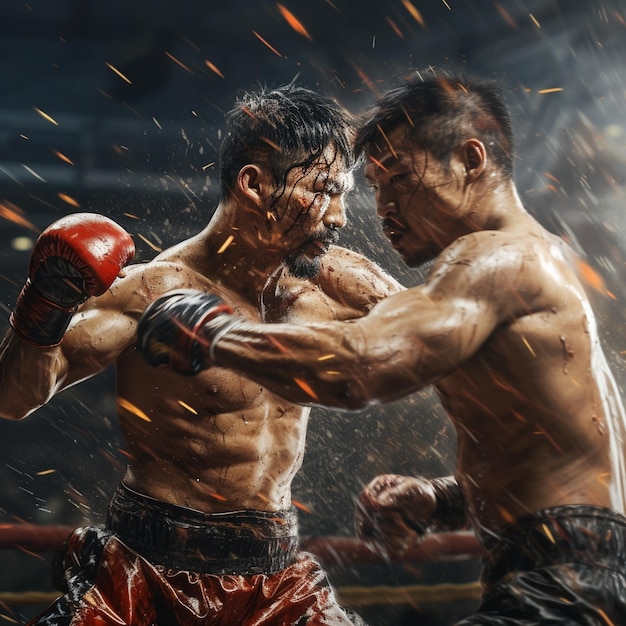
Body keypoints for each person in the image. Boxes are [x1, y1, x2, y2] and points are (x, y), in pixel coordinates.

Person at [137, 70, 626, 624]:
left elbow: (357, 368)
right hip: (567, 579)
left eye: (399, 178)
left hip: (566, 589)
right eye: (375, 185)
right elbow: (560, 459)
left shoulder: (498, 259)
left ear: (471, 159)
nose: (384, 207)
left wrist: (213, 331)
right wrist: (440, 501)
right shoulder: (535, 261)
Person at [0, 84, 403, 625]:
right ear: (254, 184)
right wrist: (41, 308)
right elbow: (15, 397)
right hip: (148, 569)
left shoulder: (335, 285)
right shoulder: (154, 290)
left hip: (276, 574)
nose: (339, 216)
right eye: (325, 189)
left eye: (343, 193)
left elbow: (452, 346)